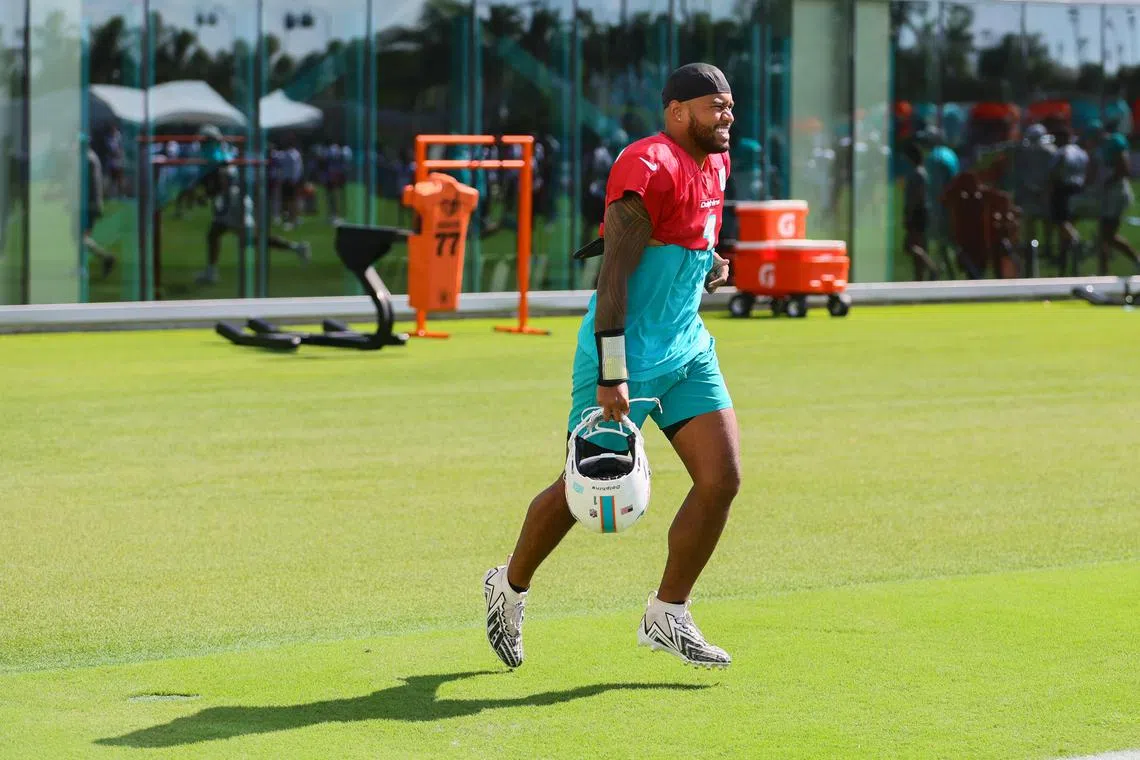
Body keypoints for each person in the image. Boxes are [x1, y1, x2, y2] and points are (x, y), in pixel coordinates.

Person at [482, 63, 740, 670]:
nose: (725, 116)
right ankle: (508, 589)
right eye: (713, 107)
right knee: (585, 492)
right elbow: (615, 275)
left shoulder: (716, 160)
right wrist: (613, 372)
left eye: (729, 106)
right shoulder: (647, 166)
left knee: (721, 479)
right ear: (676, 111)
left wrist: (711, 262)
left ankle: (667, 614)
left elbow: (689, 237)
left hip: (687, 350)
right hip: (623, 354)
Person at [195, 164, 310, 286]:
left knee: (219, 234)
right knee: (252, 239)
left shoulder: (230, 182)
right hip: (236, 212)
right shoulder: (229, 180)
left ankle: (211, 272)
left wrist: (206, 196)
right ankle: (297, 248)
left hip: (237, 213)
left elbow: (226, 193)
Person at [1092, 123, 1140, 274]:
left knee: (1108, 235)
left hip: (1116, 193)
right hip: (1109, 193)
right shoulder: (1103, 146)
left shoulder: (1115, 143)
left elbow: (1124, 169)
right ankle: (1102, 272)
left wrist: (1108, 181)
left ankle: (1136, 259)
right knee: (1103, 236)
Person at [1047, 126, 1088, 275]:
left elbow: (1054, 172)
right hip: (1078, 188)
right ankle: (1065, 259)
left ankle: (1076, 242)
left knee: (1061, 221)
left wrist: (1049, 189)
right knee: (1069, 223)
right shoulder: (1081, 152)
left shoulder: (1061, 152)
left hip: (1063, 189)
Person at [902, 141, 940, 280]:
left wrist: (909, 215)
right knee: (916, 246)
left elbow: (916, 197)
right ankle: (919, 277)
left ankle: (932, 268)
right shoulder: (920, 173)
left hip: (917, 214)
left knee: (912, 246)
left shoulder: (918, 174)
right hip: (920, 213)